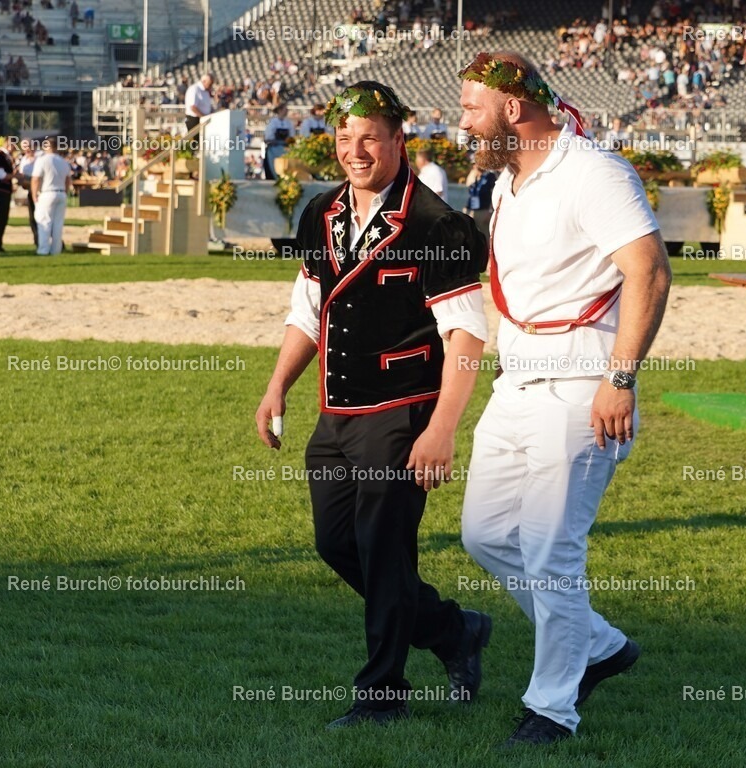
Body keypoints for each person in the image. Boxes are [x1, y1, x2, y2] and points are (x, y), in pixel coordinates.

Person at [254, 81, 492, 729]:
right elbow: (307, 311)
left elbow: (467, 336)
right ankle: (452, 630)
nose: (355, 151)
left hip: (403, 410)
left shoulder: (436, 224)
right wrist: (278, 385)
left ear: (397, 140)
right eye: (344, 138)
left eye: (369, 138)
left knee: (385, 552)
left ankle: (382, 696)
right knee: (336, 544)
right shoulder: (320, 213)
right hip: (337, 414)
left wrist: (443, 427)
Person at [456, 51, 671, 747]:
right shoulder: (508, 183)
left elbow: (650, 273)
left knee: (552, 554)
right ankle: (601, 646)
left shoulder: (594, 171)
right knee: (485, 536)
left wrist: (620, 379)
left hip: (582, 386)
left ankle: (552, 708)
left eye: (470, 110)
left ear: (512, 109)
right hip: (515, 383)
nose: (462, 125)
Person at [31, 136, 73, 255]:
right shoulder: (63, 161)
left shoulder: (42, 160)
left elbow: (35, 179)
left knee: (44, 222)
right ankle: (56, 250)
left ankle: (43, 250)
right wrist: (65, 191)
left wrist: (34, 194)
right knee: (58, 224)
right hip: (61, 193)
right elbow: (68, 179)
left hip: (47, 192)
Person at [16, 138, 41, 249]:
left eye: (28, 146)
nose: (26, 149)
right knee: (32, 218)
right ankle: (37, 241)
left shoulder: (40, 157)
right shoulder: (24, 160)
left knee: (44, 217)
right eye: (24, 147)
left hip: (40, 191)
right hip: (30, 190)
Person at [263, 102, 294, 180]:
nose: (287, 111)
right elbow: (268, 138)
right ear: (280, 110)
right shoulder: (273, 122)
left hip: (285, 149)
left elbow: (291, 137)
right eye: (285, 109)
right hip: (274, 150)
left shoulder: (288, 123)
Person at [463, 165, 496, 237]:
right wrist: (474, 174)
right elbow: (468, 186)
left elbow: (493, 194)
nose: (475, 166)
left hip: (483, 210)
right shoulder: (474, 175)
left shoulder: (490, 176)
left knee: (485, 234)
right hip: (471, 209)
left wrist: (490, 211)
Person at [184, 73, 213, 144]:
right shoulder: (194, 89)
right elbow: (193, 107)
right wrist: (203, 117)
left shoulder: (205, 91)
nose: (210, 86)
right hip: (194, 120)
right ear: (204, 81)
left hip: (203, 120)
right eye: (210, 84)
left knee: (202, 142)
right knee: (195, 142)